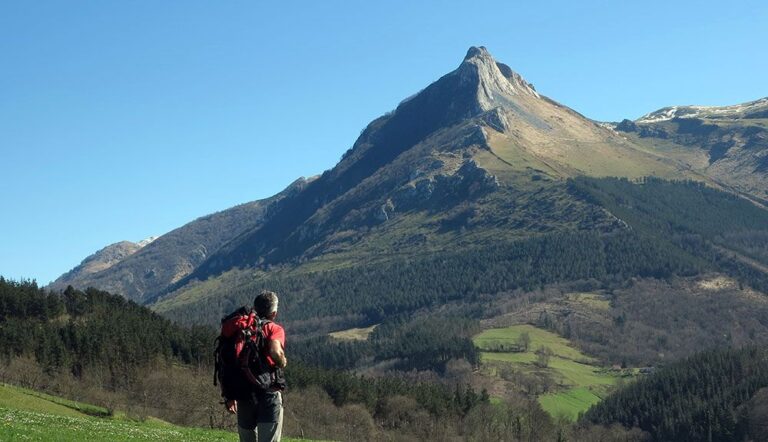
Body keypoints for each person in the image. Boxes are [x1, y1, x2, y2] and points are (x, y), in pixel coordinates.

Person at [225, 290, 287, 442]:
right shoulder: (274, 329)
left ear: (255, 308)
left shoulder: (241, 327)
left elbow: (228, 360)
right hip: (268, 394)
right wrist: (282, 361)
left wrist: (229, 395)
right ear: (273, 313)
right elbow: (275, 352)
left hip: (244, 393)